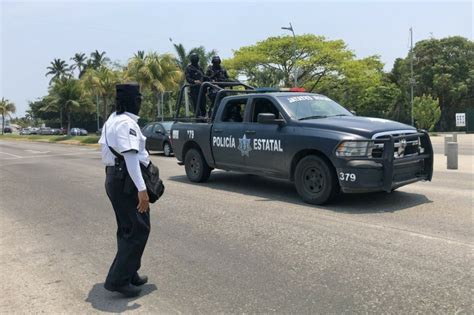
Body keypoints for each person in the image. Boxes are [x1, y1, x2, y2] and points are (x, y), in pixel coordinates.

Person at [98, 83, 151, 298]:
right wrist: (142, 190)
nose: (140, 102)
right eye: (138, 99)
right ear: (130, 101)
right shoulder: (125, 123)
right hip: (126, 180)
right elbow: (130, 156)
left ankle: (129, 273)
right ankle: (118, 280)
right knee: (138, 229)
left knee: (127, 228)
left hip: (116, 178)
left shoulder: (112, 120)